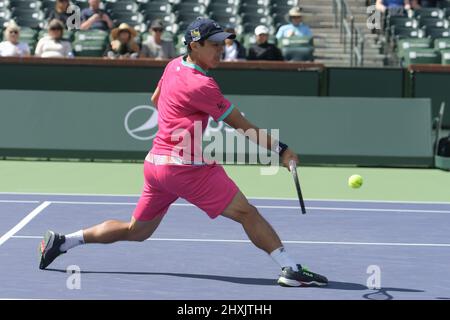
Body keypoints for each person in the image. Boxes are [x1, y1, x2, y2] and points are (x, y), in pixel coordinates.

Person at [38, 17, 328, 288]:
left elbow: (156, 99)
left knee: (136, 231)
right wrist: (283, 150)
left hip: (156, 166)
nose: (221, 50)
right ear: (195, 46)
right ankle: (290, 268)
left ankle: (63, 242)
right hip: (184, 166)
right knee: (247, 213)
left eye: (223, 44)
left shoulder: (174, 65)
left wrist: (179, 121)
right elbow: (243, 127)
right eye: (214, 45)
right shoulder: (203, 85)